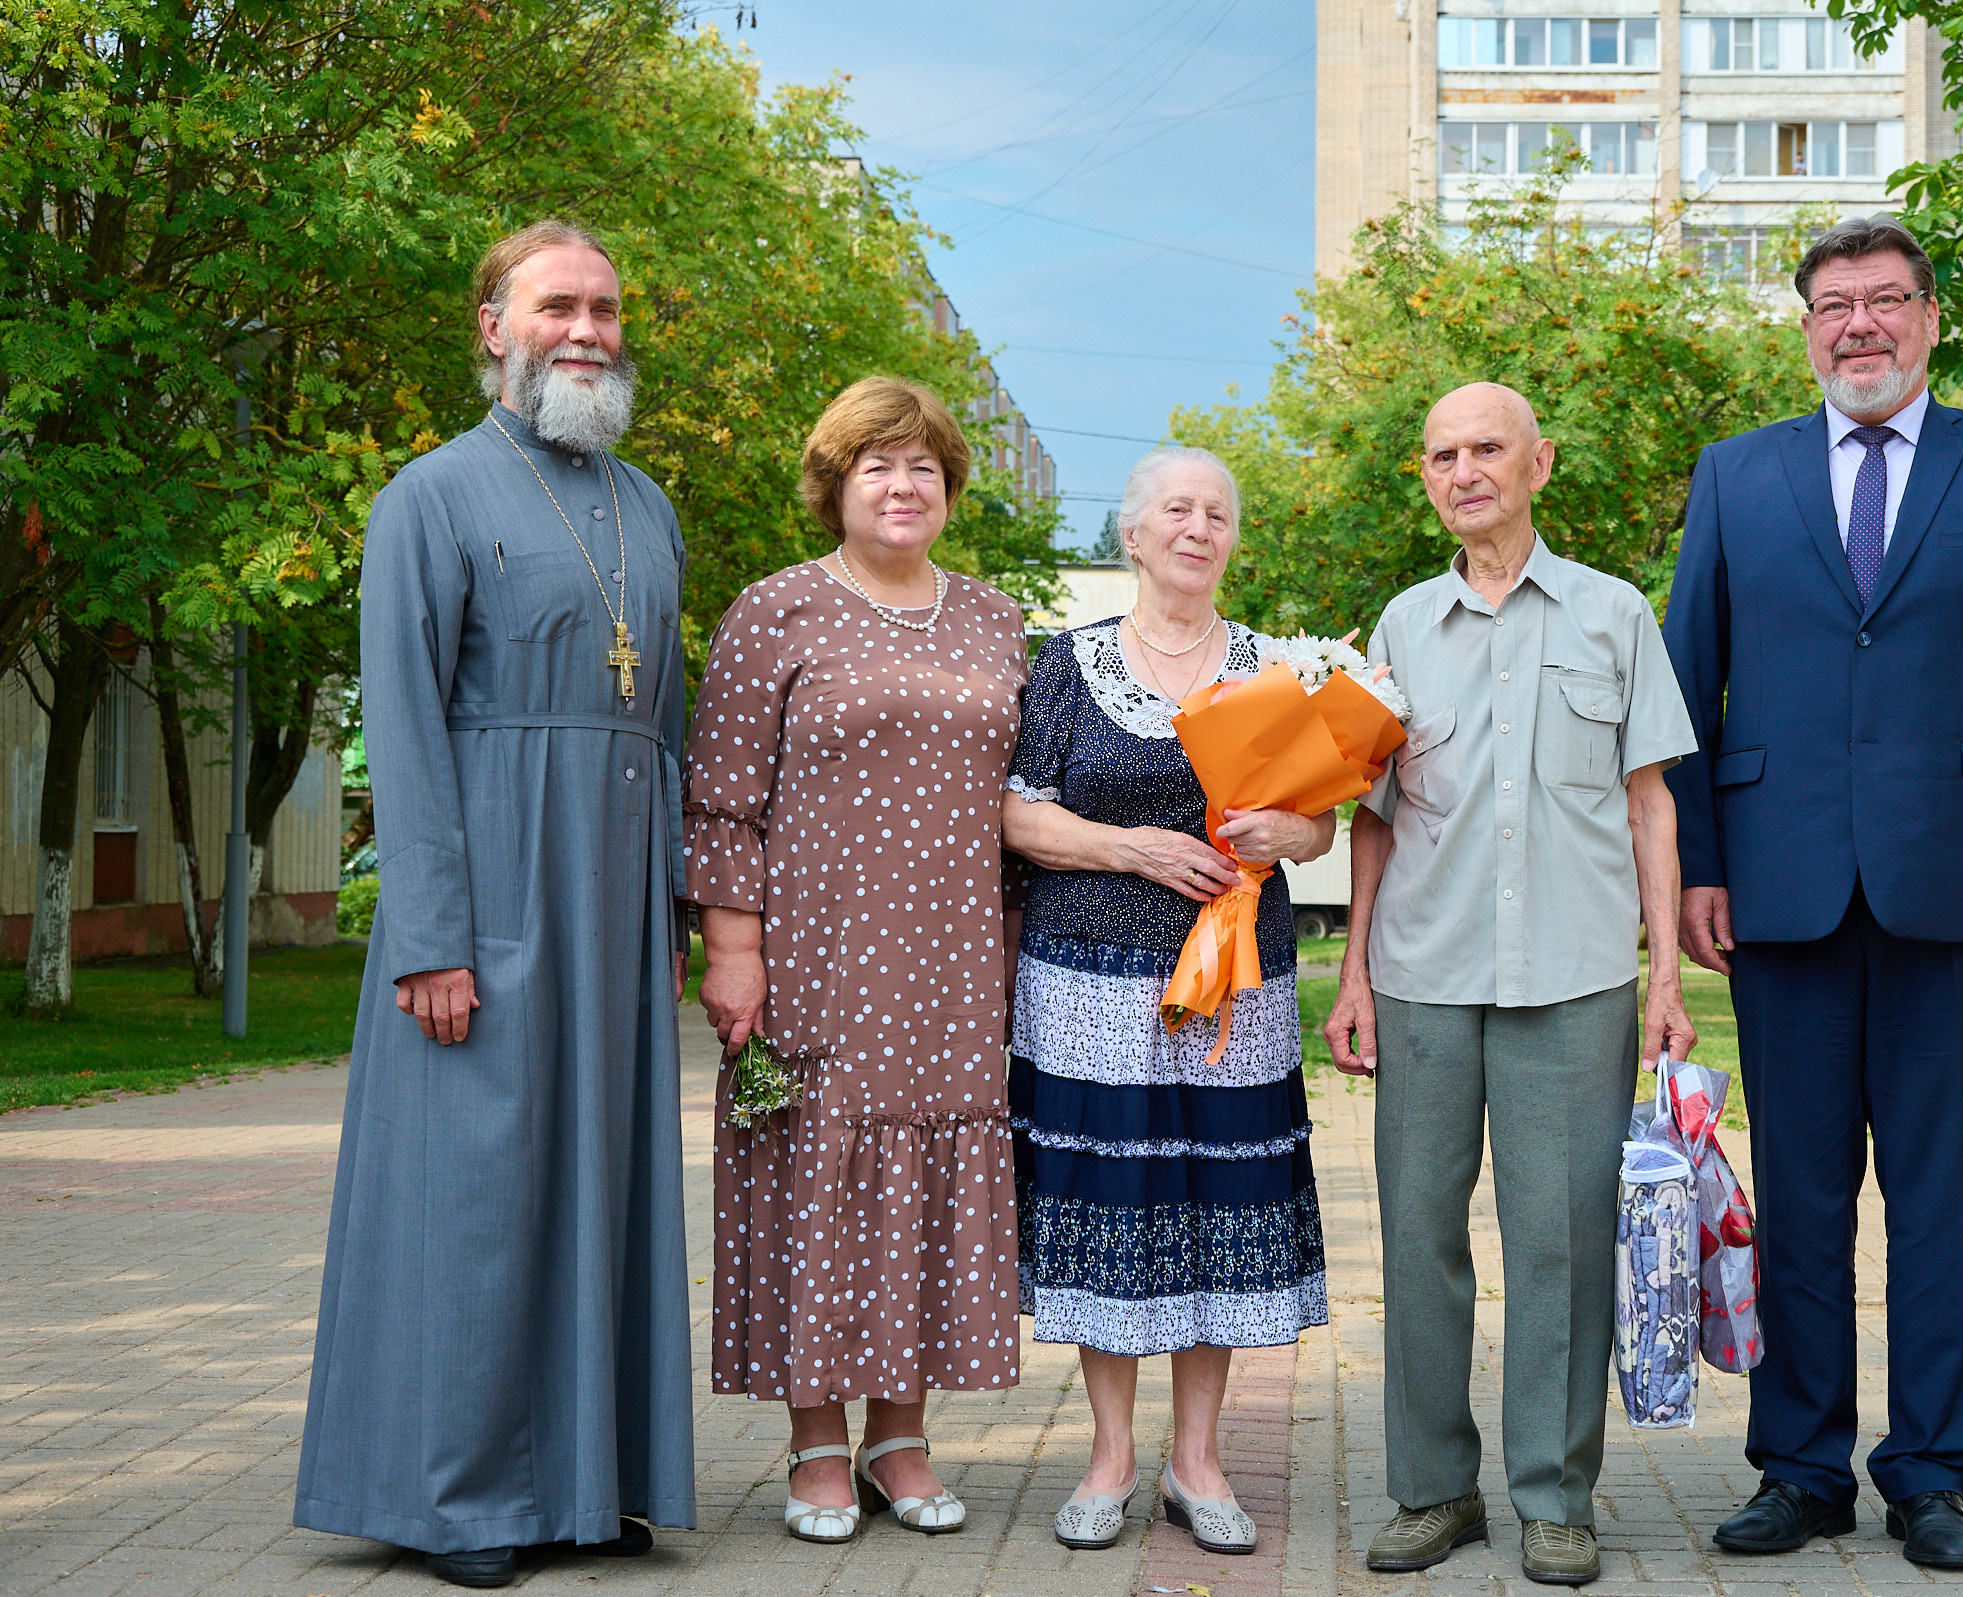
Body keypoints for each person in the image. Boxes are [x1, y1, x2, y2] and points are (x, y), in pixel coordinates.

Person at [1664, 215, 1963, 1572]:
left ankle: (1928, 1473)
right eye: (1835, 304)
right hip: (1779, 894)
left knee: (1936, 1199)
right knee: (1798, 1201)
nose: (1862, 324)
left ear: (1929, 319)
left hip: (1958, 894)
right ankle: (1801, 1469)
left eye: (1888, 300)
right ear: (1806, 329)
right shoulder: (1737, 477)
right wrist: (1697, 865)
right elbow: (1688, 684)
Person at [295, 221, 694, 1589]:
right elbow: (401, 730)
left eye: (605, 309)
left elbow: (670, 727)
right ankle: (463, 1503)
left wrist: (685, 913)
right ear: (493, 327)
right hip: (497, 886)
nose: (587, 329)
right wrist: (429, 937)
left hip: (618, 892)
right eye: (558, 306)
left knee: (603, 1185)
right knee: (480, 1193)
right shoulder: (433, 496)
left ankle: (596, 1481)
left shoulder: (649, 505)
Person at [1321, 383, 1699, 1588]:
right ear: (1425, 477)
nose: (1465, 468)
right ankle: (1434, 1491)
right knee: (1421, 1236)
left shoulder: (1614, 612)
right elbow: (1371, 818)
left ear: (1539, 461)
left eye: (1488, 447)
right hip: (1424, 978)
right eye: (1442, 452)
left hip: (1577, 977)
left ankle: (1554, 1494)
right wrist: (1356, 972)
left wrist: (1665, 979)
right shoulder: (1399, 626)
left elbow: (1651, 804)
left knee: (1563, 1245)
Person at [684, 376, 1026, 1545]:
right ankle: (817, 1441)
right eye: (877, 464)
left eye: (924, 464)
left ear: (949, 487)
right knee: (814, 1183)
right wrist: (733, 948)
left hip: (957, 960)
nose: (903, 483)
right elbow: (722, 802)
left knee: (925, 1186)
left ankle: (901, 1436)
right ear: (837, 484)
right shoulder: (774, 611)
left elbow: (1024, 799)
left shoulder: (994, 619)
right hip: (816, 954)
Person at [1003, 446, 1332, 1558]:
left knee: (1215, 1203)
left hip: (1237, 980)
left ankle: (1198, 1462)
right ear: (1134, 535)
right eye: (1176, 511)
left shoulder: (1274, 670)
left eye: (1219, 513)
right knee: (1112, 1203)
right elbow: (1019, 816)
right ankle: (1108, 1457)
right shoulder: (1066, 662)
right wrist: (1133, 849)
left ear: (1233, 538)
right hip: (1089, 979)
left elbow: (1316, 821)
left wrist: (1299, 834)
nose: (1199, 527)